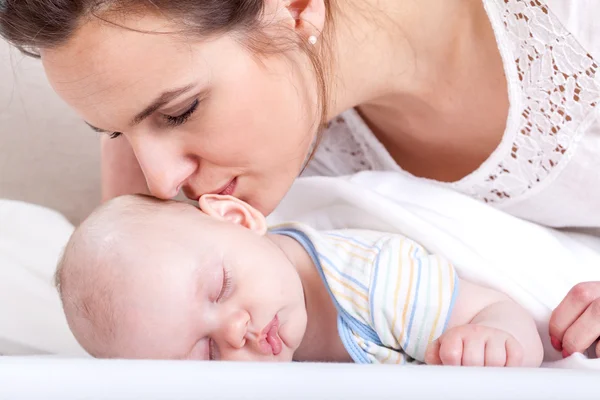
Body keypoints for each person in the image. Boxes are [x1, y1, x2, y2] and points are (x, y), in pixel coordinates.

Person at [0, 0, 598, 357]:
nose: (160, 182)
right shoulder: (179, 175)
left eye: (180, 111)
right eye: (113, 132)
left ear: (294, 8)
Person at [55, 193, 543, 366]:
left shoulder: (381, 283)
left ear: (239, 219)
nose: (234, 330)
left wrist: (495, 338)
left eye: (222, 286)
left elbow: (498, 311)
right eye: (205, 352)